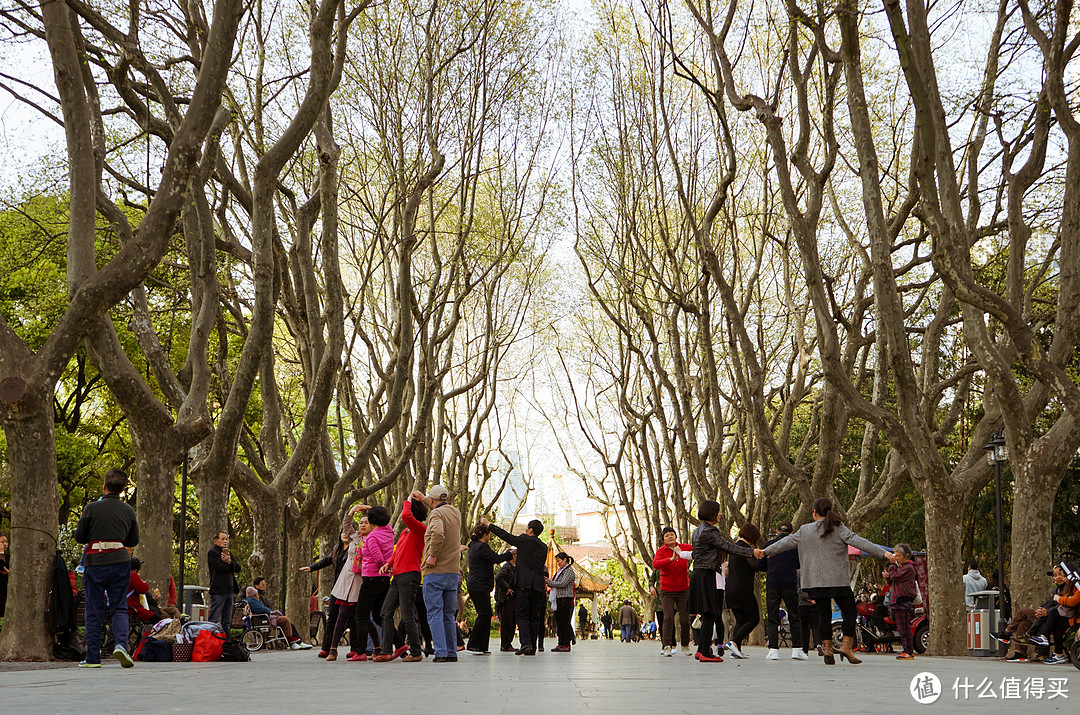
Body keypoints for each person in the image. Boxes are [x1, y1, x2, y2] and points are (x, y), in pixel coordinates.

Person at [756, 497, 894, 665]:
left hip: (814, 582)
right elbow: (860, 541)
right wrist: (884, 553)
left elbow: (784, 542)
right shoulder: (838, 528)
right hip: (837, 580)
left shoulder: (804, 530)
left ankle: (828, 650)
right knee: (850, 612)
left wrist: (766, 551)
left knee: (823, 615)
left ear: (814, 513)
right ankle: (846, 647)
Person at [73, 468, 139, 668]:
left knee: (93, 609)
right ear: (123, 489)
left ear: (104, 485)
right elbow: (133, 539)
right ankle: (121, 645)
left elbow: (80, 536)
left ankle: (93, 657)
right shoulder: (128, 510)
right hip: (120, 561)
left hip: (95, 562)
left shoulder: (91, 508)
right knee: (119, 607)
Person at [688, 499, 755, 662]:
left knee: (707, 613)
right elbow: (728, 547)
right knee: (711, 613)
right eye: (718, 511)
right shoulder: (711, 531)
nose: (720, 514)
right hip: (706, 574)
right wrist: (752, 552)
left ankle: (701, 649)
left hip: (698, 573)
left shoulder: (697, 531)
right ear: (711, 513)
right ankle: (705, 652)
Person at [482, 516, 547, 656]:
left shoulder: (524, 540)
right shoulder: (543, 546)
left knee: (521, 614)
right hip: (539, 586)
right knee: (534, 617)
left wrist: (489, 525)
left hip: (524, 583)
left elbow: (506, 536)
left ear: (530, 530)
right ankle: (532, 647)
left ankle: (526, 644)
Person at [374, 496, 429, 663]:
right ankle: (386, 651)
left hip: (410, 574)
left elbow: (406, 516)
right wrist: (388, 564)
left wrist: (407, 500)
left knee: (407, 614)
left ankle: (415, 651)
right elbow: (397, 552)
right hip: (397, 575)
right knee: (385, 612)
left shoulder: (420, 528)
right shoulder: (406, 532)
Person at [418, 485, 463, 663]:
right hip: (452, 571)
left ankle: (441, 652)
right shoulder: (456, 512)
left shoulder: (435, 515)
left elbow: (437, 533)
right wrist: (424, 499)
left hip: (435, 571)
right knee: (448, 614)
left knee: (434, 613)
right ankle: (451, 651)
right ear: (447, 498)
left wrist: (432, 555)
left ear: (431, 501)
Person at [347, 504, 394, 661]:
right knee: (380, 615)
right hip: (384, 579)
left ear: (373, 521)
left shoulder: (373, 537)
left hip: (372, 577)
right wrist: (373, 508)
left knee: (360, 615)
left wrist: (382, 567)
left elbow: (378, 557)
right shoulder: (389, 532)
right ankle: (400, 644)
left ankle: (360, 651)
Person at [325, 507, 369, 661]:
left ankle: (372, 648)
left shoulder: (374, 539)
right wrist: (352, 511)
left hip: (361, 582)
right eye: (361, 523)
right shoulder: (355, 537)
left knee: (363, 619)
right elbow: (346, 525)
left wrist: (374, 510)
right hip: (345, 582)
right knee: (341, 616)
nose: (362, 525)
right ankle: (332, 649)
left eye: (366, 523)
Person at [300, 526, 351, 657]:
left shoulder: (355, 549)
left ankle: (356, 649)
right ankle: (326, 648)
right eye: (342, 532)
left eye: (347, 532)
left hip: (350, 588)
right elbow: (326, 560)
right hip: (336, 588)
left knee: (351, 619)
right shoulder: (337, 549)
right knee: (331, 618)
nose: (344, 534)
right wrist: (311, 568)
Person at [758, 521, 805, 660]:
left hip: (773, 582)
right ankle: (797, 649)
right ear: (792, 532)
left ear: (777, 531)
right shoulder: (795, 546)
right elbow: (799, 564)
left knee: (773, 617)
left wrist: (772, 568)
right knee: (794, 616)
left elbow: (760, 564)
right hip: (789, 583)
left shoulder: (768, 545)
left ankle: (773, 650)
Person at [465, 523, 513, 655]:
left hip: (476, 584)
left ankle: (482, 646)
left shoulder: (473, 545)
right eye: (488, 535)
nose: (489, 538)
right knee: (484, 614)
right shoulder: (482, 547)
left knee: (485, 614)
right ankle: (473, 644)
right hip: (479, 585)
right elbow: (496, 559)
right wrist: (510, 553)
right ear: (485, 535)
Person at [1025, 564, 1079, 665]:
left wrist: (1059, 599)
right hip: (1070, 616)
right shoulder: (1067, 587)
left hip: (1076, 617)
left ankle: (1041, 636)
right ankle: (1058, 654)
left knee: (1052, 613)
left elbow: (1073, 601)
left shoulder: (1076, 585)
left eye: (1063, 575)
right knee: (1056, 624)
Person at [652, 527, 693, 657]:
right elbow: (656, 564)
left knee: (684, 619)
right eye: (667, 535)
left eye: (672, 534)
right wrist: (671, 559)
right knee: (668, 618)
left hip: (683, 590)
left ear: (676, 536)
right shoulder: (661, 551)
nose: (670, 537)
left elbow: (697, 548)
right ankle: (667, 646)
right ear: (663, 539)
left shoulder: (684, 547)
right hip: (667, 591)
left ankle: (685, 645)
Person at [725, 523, 763, 659]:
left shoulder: (734, 548)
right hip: (743, 589)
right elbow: (756, 566)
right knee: (754, 619)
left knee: (740, 620)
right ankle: (734, 642)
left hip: (730, 589)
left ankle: (736, 651)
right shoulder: (745, 549)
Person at [251, 576, 311, 648]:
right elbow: (261, 609)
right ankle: (291, 641)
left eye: (265, 583)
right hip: (264, 618)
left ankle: (297, 642)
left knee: (290, 624)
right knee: (285, 620)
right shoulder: (255, 598)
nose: (265, 585)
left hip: (267, 616)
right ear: (256, 586)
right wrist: (270, 611)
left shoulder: (261, 596)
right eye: (262, 584)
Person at [241, 587, 307, 649]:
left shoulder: (252, 601)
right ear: (254, 595)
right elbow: (261, 609)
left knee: (288, 623)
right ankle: (290, 639)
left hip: (264, 618)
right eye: (257, 594)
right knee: (285, 619)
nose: (258, 596)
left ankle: (295, 641)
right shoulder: (252, 601)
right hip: (263, 619)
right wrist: (269, 610)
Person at [885, 543, 919, 660]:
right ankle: (906, 650)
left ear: (906, 556)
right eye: (896, 555)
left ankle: (908, 651)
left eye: (899, 555)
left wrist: (891, 566)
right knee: (901, 627)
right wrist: (888, 577)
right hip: (897, 600)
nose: (896, 558)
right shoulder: (901, 567)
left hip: (903, 600)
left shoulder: (909, 568)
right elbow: (894, 580)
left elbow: (895, 577)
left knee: (904, 626)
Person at [207, 530, 242, 631]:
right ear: (216, 541)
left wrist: (229, 562)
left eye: (227, 539)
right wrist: (229, 564)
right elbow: (221, 568)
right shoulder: (212, 553)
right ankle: (210, 640)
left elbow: (237, 568)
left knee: (227, 621)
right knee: (214, 618)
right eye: (222, 539)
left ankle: (226, 641)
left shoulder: (228, 554)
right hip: (218, 591)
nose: (225, 541)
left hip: (229, 591)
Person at [547, 552, 576, 652]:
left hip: (565, 598)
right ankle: (560, 643)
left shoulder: (569, 571)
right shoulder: (561, 571)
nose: (558, 563)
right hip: (558, 598)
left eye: (559, 561)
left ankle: (566, 644)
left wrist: (549, 582)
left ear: (565, 560)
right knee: (559, 622)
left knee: (564, 622)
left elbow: (563, 583)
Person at [495, 549, 518, 651]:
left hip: (513, 598)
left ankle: (508, 643)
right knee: (507, 621)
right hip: (506, 598)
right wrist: (507, 588)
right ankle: (505, 644)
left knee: (512, 621)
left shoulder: (514, 567)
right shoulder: (507, 566)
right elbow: (498, 577)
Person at [0, 532, 9, 618]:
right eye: (2, 542)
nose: (5, 544)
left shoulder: (9, 557)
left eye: (6, 542)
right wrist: (1, 553)